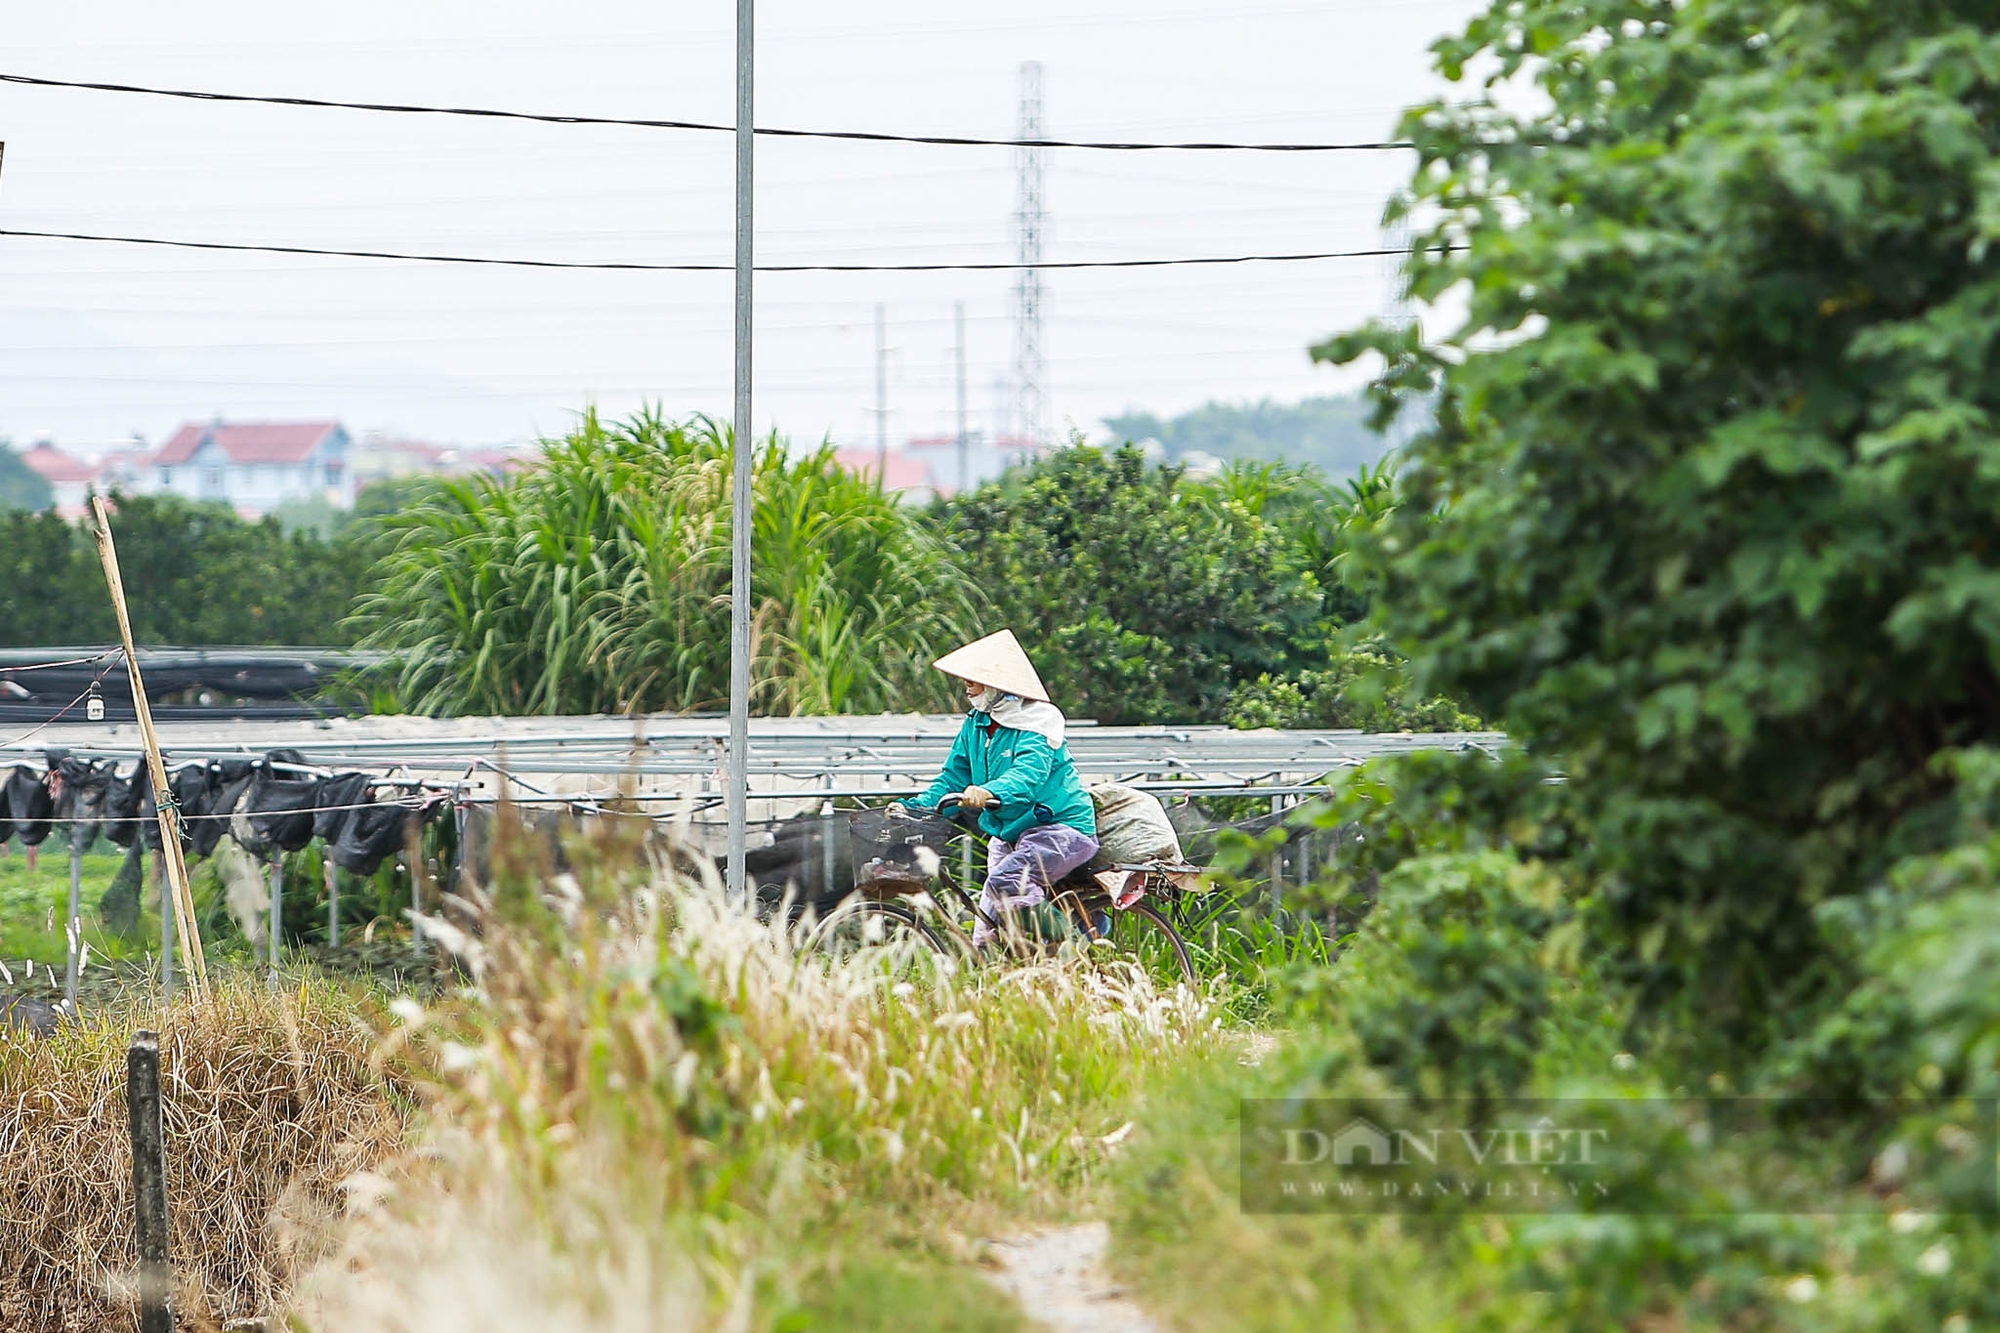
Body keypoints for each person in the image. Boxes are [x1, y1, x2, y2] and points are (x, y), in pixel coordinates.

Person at [907, 629, 1098, 947]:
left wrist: (990, 791)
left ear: (998, 684)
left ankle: (1077, 953)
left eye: (975, 678)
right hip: (1008, 833)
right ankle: (1005, 979)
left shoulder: (1037, 724)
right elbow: (954, 777)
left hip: (1058, 829)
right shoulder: (977, 723)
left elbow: (1027, 776)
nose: (967, 684)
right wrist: (915, 805)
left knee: (1007, 882)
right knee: (986, 932)